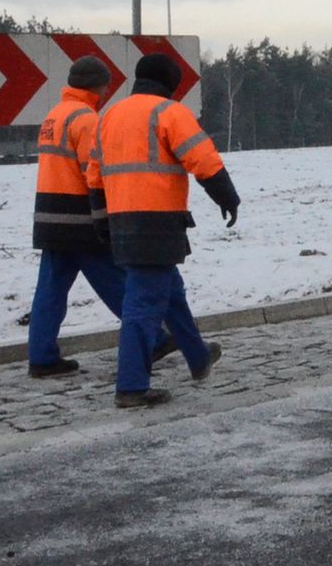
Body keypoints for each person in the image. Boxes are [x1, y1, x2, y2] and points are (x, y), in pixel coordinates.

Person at [88, 52, 240, 408]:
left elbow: (94, 174)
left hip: (121, 219)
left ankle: (198, 356)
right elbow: (203, 160)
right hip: (157, 221)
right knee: (142, 304)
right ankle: (131, 386)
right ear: (171, 85)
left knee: (170, 291)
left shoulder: (109, 116)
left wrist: (100, 219)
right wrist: (227, 197)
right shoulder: (170, 113)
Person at [23, 57, 130, 378]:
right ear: (98, 86)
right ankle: (152, 337)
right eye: (106, 84)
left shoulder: (54, 116)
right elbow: (93, 174)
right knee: (114, 282)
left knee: (50, 290)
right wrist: (109, 215)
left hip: (49, 216)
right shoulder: (87, 120)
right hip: (80, 219)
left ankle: (41, 357)